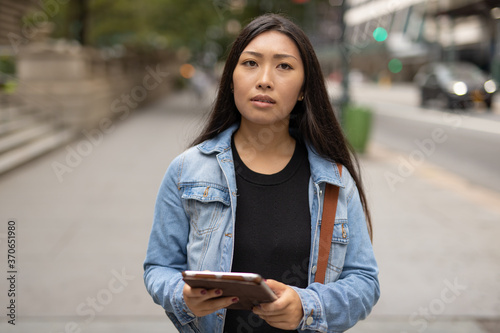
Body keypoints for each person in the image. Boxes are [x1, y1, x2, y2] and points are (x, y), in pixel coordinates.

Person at [144, 13, 380, 333]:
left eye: (284, 66)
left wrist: (306, 306)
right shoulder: (187, 171)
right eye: (251, 63)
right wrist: (182, 296)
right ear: (231, 78)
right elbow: (159, 267)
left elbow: (365, 282)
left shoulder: (333, 178)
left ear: (302, 89)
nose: (265, 79)